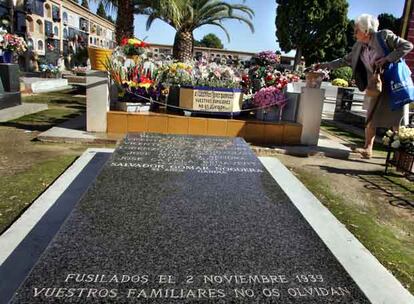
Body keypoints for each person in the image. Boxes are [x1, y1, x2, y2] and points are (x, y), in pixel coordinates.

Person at [317, 14, 413, 159]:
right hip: (375, 86)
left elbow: (407, 45)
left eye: (356, 30)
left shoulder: (384, 36)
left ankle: (402, 156)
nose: (354, 32)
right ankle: (368, 149)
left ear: (366, 30)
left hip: (393, 84)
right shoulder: (358, 46)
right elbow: (344, 60)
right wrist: (324, 65)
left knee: (397, 121)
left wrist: (387, 59)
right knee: (371, 118)